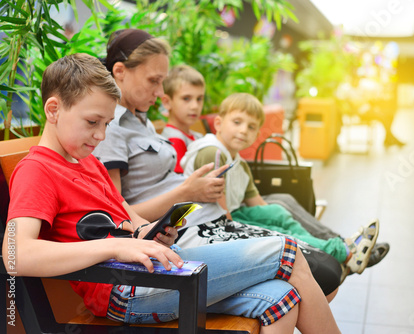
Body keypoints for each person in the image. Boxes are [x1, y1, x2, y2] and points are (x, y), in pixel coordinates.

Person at [4, 53, 341, 333]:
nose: (100, 136)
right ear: (53, 110)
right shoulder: (38, 170)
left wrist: (152, 233)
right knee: (288, 252)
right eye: (92, 122)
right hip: (124, 289)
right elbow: (16, 255)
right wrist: (118, 245)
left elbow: (129, 220)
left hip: (157, 270)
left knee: (282, 297)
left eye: (106, 124)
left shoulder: (88, 162)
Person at [92, 28, 344, 295]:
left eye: (162, 80)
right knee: (323, 273)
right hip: (192, 234)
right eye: (154, 80)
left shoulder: (142, 121)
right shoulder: (111, 128)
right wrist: (186, 192)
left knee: (326, 270)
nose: (161, 90)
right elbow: (118, 213)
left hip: (208, 221)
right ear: (119, 71)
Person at [181, 92, 380, 278]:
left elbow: (256, 202)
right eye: (237, 122)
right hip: (215, 224)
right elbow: (223, 215)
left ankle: (337, 249)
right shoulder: (212, 153)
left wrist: (275, 217)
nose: (243, 130)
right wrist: (264, 227)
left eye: (251, 127)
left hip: (233, 214)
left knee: (277, 212)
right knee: (282, 232)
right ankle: (343, 252)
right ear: (218, 123)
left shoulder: (238, 162)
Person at [160, 64, 205, 173]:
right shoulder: (174, 140)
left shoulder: (197, 136)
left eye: (199, 99)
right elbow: (181, 181)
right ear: (167, 102)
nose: (195, 106)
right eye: (186, 98)